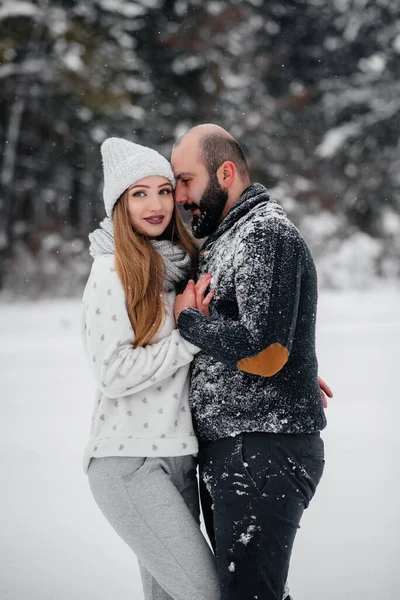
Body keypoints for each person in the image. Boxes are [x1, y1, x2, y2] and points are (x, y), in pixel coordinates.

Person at [171, 123, 331, 600]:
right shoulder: (226, 237)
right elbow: (267, 343)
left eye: (185, 180)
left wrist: (189, 323)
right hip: (240, 446)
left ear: (225, 172)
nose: (180, 196)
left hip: (263, 446)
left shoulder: (264, 234)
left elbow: (266, 355)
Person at [82, 137, 220, 600]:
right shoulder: (111, 271)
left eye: (163, 190)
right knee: (207, 593)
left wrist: (283, 369)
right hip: (129, 461)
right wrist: (187, 332)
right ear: (120, 204)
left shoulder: (181, 267)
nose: (156, 203)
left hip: (180, 457)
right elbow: (114, 373)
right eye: (139, 193)